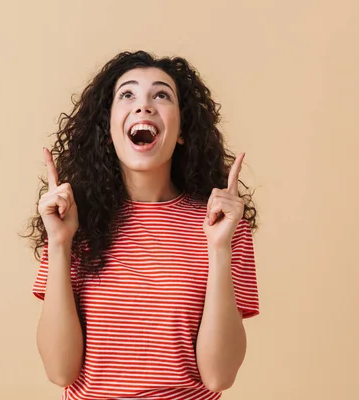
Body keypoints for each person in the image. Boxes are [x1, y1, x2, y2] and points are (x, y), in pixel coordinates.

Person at [23, 50, 260, 400]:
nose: (143, 106)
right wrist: (60, 243)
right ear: (107, 131)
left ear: (181, 130)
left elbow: (219, 376)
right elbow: (60, 371)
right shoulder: (72, 222)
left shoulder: (222, 223)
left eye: (161, 95)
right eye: (128, 94)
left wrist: (219, 249)